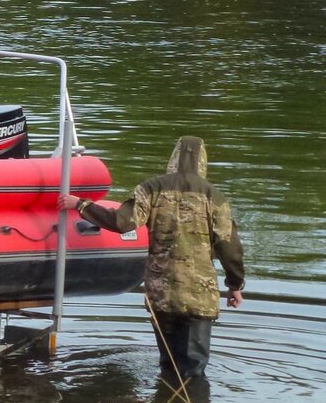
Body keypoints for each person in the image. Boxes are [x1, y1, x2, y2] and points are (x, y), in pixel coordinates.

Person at [59, 135, 245, 380]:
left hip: (161, 291)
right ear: (203, 161)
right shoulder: (214, 197)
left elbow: (121, 222)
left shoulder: (151, 188)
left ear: (173, 157)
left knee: (168, 364)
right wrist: (235, 285)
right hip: (198, 293)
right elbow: (228, 246)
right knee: (192, 369)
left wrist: (81, 204)